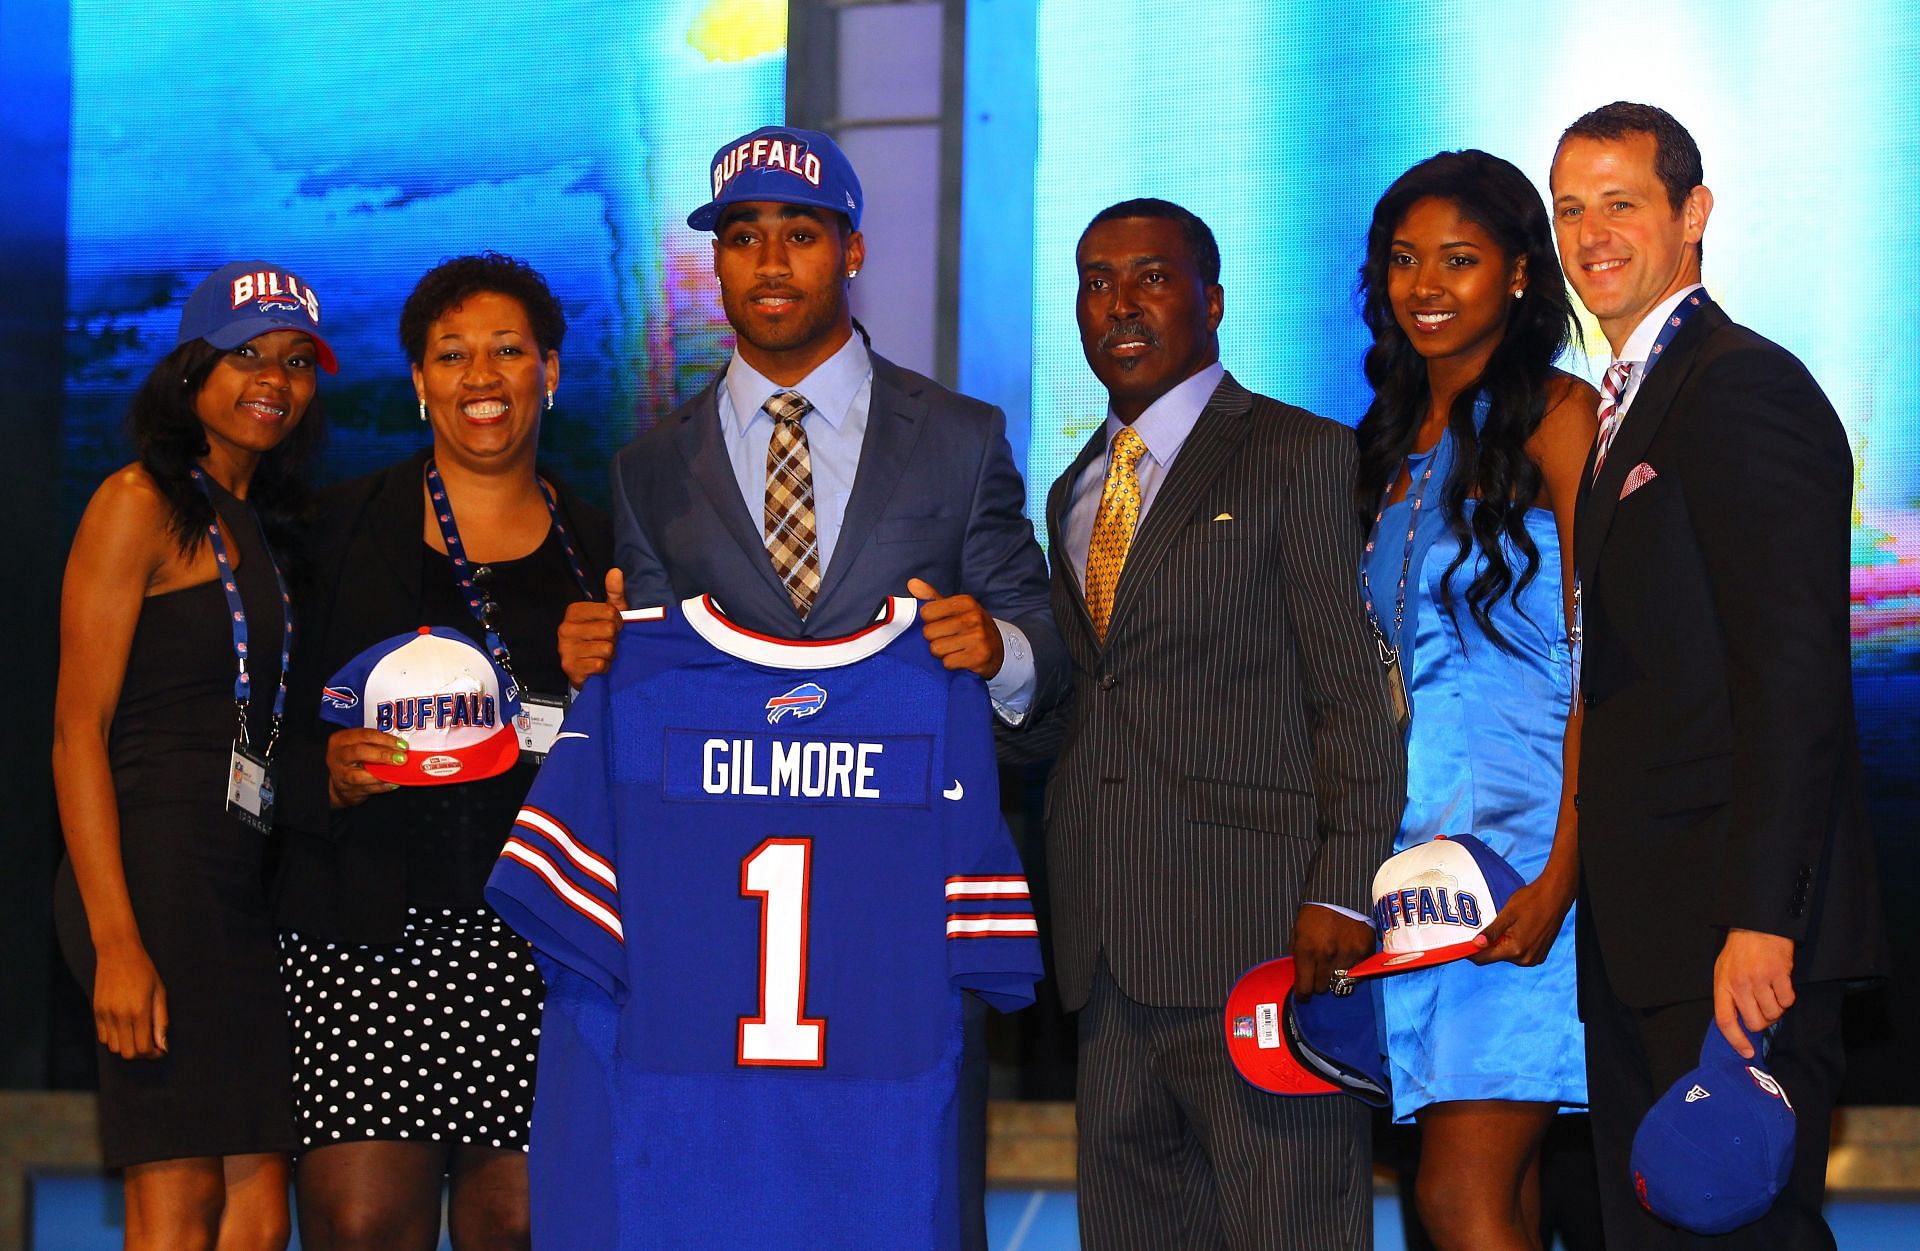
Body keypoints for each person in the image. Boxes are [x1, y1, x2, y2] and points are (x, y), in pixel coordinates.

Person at [555, 124, 1064, 1250]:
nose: (770, 261)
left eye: (799, 233)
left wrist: (999, 652)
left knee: (905, 1200)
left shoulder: (961, 439)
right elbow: (645, 689)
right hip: (723, 941)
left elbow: (1044, 646)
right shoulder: (650, 464)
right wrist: (594, 658)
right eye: (742, 237)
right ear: (718, 263)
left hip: (896, 929)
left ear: (854, 251)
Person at [1014, 197, 1406, 1249]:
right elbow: (1087, 708)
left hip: (1264, 942)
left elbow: (1351, 697)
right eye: (1096, 280)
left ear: (1213, 300)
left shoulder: (1299, 453)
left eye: (1151, 276)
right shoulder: (1072, 491)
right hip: (1105, 953)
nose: (1119, 303)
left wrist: (1341, 890)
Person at [1550, 101, 1886, 1248]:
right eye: (1571, 209)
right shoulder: (1631, 398)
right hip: (1650, 930)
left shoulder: (1741, 386)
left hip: (1736, 947)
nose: (1592, 234)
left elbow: (1794, 678)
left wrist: (1762, 922)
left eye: (1622, 204)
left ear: (1692, 216)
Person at [273, 253, 611, 1251]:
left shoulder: (604, 551)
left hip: (542, 946)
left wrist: (610, 682)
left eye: (508, 351)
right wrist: (319, 774)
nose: (481, 377)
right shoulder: (329, 534)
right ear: (419, 380)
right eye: (451, 354)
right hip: (363, 937)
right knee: (365, 1219)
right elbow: (251, 725)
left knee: (522, 1226)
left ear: (550, 371)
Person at [52, 260, 334, 1251]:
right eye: (246, 352)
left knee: (257, 1202)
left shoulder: (262, 525)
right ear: (190, 371)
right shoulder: (138, 501)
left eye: (296, 360)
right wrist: (116, 939)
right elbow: (75, 731)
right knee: (177, 1201)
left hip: (236, 879)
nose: (274, 376)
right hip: (150, 873)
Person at [1354, 150, 1596, 1251]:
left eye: (1459, 258)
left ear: (1517, 273)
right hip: (1418, 881)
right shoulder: (1382, 449)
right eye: (1404, 261)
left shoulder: (1561, 417)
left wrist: (1563, 872)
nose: (1427, 285)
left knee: (1459, 1196)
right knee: (1477, 1200)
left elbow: (1609, 665)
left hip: (1529, 868)